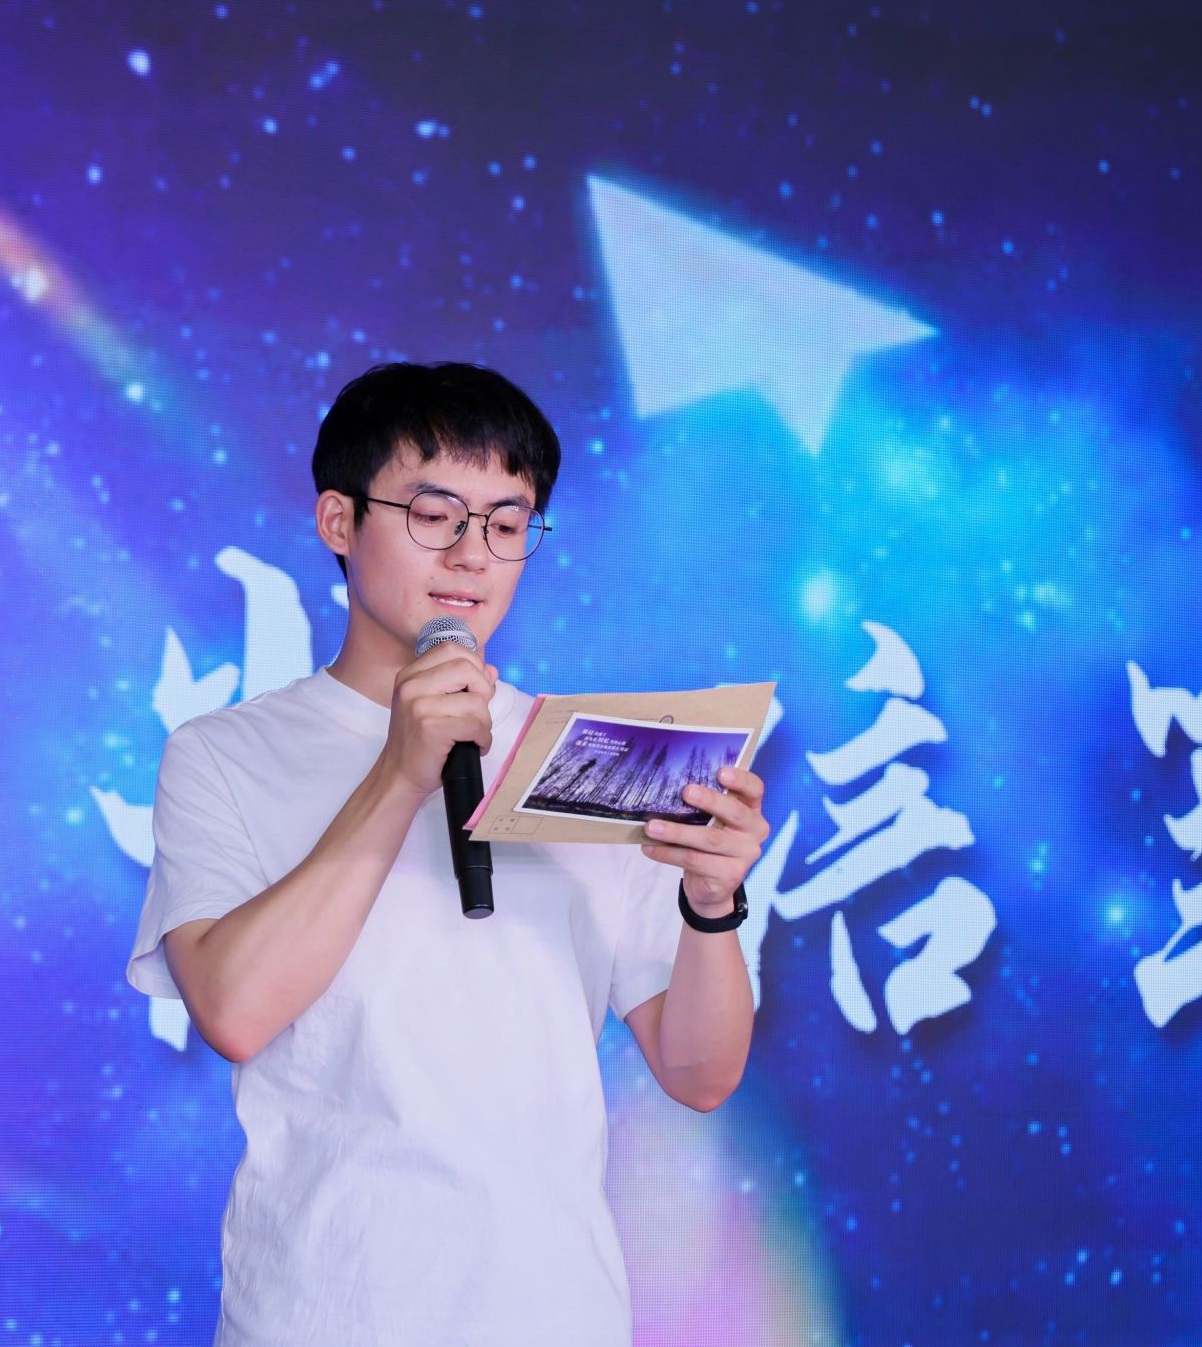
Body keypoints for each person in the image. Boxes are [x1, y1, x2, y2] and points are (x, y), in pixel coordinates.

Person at [126, 361, 769, 1346]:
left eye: (507, 525)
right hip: (321, 1313)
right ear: (338, 521)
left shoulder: (592, 756)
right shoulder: (225, 753)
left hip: (556, 1316)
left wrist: (712, 904)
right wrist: (398, 774)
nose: (472, 555)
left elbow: (699, 1073)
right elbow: (235, 1011)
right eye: (435, 516)